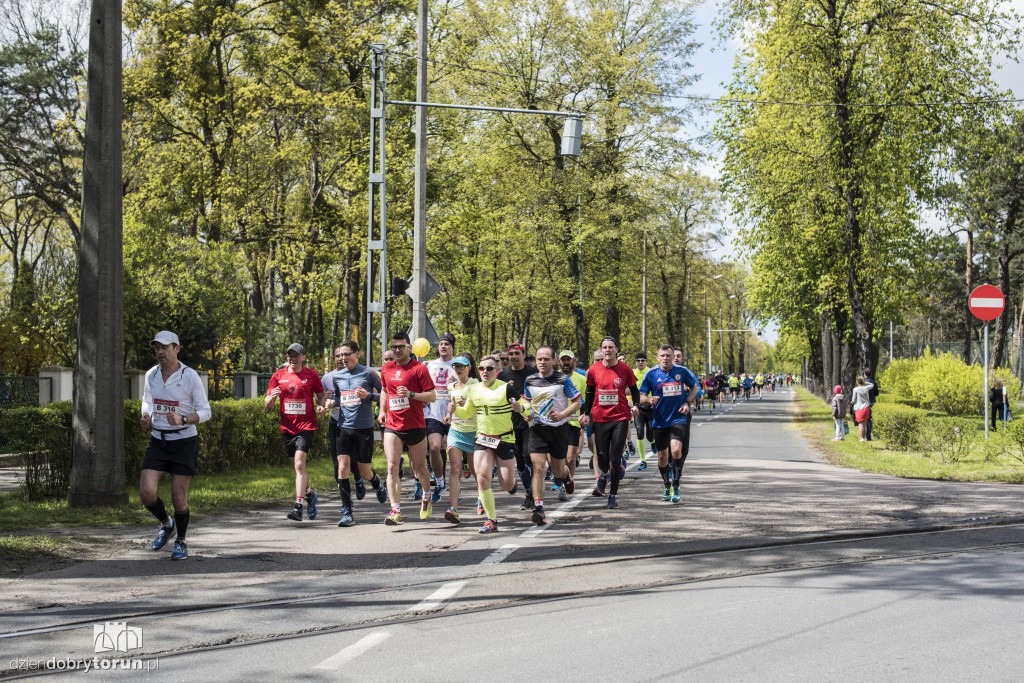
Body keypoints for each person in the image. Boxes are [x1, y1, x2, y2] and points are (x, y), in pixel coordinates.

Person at [139, 331, 211, 561]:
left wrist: (183, 419)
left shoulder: (189, 376)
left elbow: (206, 411)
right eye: (157, 348)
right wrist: (146, 414)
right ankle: (166, 523)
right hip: (159, 439)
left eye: (165, 347)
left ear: (176, 348)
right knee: (146, 493)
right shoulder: (151, 374)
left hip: (184, 441)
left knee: (178, 497)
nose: (160, 352)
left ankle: (181, 540)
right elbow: (148, 400)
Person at [454, 357, 528, 533]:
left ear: (497, 371)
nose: (485, 372)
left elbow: (526, 405)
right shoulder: (474, 390)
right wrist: (454, 408)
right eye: (481, 368)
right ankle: (491, 520)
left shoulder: (505, 387)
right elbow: (466, 413)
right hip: (483, 439)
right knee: (482, 477)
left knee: (506, 484)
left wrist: (520, 408)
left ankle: (512, 484)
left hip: (505, 439)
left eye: (489, 368)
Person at [379, 332, 437, 525]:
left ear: (409, 348)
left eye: (400, 347)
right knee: (392, 465)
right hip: (392, 425)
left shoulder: (419, 369)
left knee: (419, 468)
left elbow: (432, 396)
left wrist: (412, 394)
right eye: (394, 347)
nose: (397, 350)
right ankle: (395, 511)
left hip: (415, 424)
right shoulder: (386, 368)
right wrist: (382, 410)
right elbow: (384, 391)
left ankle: (427, 494)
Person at [327, 340, 386, 526]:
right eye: (341, 355)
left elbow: (385, 394)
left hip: (364, 428)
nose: (343, 358)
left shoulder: (368, 373)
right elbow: (339, 397)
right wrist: (331, 403)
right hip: (343, 426)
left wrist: (368, 396)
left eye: (347, 354)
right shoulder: (338, 376)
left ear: (357, 353)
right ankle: (347, 512)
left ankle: (376, 482)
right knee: (342, 467)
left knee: (364, 471)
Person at [266, 343, 326, 522]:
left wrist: (321, 404)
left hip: (306, 426)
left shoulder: (311, 374)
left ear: (303, 357)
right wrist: (271, 398)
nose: (293, 359)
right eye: (290, 356)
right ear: (287, 358)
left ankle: (298, 506)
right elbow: (267, 406)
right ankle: (310, 495)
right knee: (296, 467)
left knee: (300, 465)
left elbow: (321, 394)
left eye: (296, 355)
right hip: (288, 428)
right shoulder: (278, 376)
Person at [523, 347, 582, 525]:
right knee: (538, 467)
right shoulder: (530, 380)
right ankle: (539, 508)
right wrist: (526, 413)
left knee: (557, 470)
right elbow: (526, 402)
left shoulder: (563, 380)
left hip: (558, 429)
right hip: (537, 430)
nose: (542, 362)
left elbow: (577, 402)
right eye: (540, 359)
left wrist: (563, 414)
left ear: (554, 361)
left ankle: (566, 477)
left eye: (546, 359)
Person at [581, 336, 639, 509]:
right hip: (600, 418)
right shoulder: (593, 370)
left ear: (615, 350)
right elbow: (590, 393)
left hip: (620, 417)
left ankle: (613, 495)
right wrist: (586, 413)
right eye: (605, 347)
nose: (608, 350)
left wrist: (635, 405)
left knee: (615, 458)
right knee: (603, 457)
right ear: (601, 350)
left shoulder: (625, 369)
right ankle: (604, 473)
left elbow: (635, 391)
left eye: (611, 347)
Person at [640, 345, 699, 504]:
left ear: (673, 357)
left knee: (676, 450)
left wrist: (687, 402)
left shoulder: (681, 371)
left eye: (668, 355)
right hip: (659, 420)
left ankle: (677, 485)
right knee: (662, 456)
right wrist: (649, 400)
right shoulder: (651, 374)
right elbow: (641, 395)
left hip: (678, 418)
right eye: (662, 356)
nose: (665, 358)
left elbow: (694, 388)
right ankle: (666, 484)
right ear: (658, 357)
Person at [498, 343, 536, 510]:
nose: (513, 356)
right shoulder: (502, 375)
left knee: (529, 457)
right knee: (519, 462)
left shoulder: (534, 374)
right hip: (510, 425)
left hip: (530, 422)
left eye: (516, 353)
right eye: (510, 354)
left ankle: (534, 494)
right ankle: (528, 493)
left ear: (523, 355)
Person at [443, 353, 478, 524]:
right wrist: (448, 415)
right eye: (455, 366)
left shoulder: (475, 385)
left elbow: (476, 406)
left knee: (476, 471)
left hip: (473, 431)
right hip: (456, 430)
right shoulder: (451, 386)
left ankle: (482, 497)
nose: (458, 370)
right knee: (455, 469)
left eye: (461, 366)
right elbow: (452, 404)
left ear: (469, 368)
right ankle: (454, 508)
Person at [424, 333, 457, 504]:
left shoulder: (459, 365)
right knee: (435, 447)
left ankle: (455, 487)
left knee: (454, 454)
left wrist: (456, 382)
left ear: (452, 347)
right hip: (434, 413)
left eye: (447, 344)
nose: (443, 346)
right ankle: (440, 481)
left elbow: (467, 385)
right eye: (441, 344)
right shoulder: (430, 365)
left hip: (455, 414)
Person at [559, 350, 588, 502]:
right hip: (557, 423)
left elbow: (583, 400)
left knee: (570, 457)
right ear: (558, 362)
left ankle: (567, 484)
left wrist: (585, 414)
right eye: (563, 360)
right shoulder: (554, 378)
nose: (565, 362)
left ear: (574, 361)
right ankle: (564, 478)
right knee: (559, 458)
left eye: (568, 360)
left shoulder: (581, 379)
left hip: (573, 423)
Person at [632, 352, 653, 471]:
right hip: (638, 407)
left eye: (642, 360)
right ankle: (643, 460)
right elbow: (626, 389)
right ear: (635, 362)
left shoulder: (651, 372)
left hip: (650, 407)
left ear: (646, 362)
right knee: (639, 432)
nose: (640, 362)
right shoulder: (632, 373)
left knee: (650, 435)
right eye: (638, 360)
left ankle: (653, 441)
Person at [850, 375, 874, 441]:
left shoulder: (855, 389)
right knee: (865, 423)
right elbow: (872, 384)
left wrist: (851, 403)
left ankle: (861, 438)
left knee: (860, 424)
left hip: (858, 408)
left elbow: (853, 400)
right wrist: (866, 383)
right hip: (866, 407)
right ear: (863, 381)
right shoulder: (866, 388)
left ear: (857, 382)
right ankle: (864, 437)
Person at [864, 368, 879, 440]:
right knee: (870, 419)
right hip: (872, 402)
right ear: (871, 374)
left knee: (865, 420)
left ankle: (867, 436)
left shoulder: (862, 382)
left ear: (864, 374)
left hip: (864, 402)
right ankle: (869, 434)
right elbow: (876, 394)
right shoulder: (874, 383)